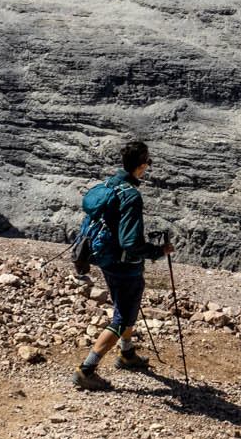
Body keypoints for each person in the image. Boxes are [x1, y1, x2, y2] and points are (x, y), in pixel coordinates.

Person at [74, 140, 172, 389]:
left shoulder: (110, 185)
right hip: (125, 265)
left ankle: (127, 354)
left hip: (106, 259)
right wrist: (158, 251)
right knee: (121, 317)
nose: (148, 166)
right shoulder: (131, 196)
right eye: (148, 162)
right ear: (140, 167)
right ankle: (87, 370)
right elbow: (130, 242)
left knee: (125, 307)